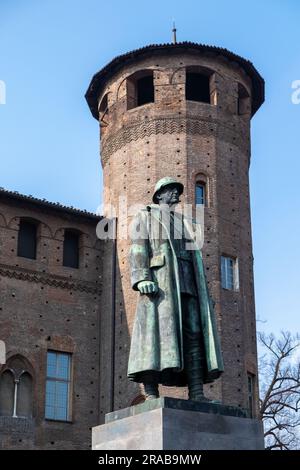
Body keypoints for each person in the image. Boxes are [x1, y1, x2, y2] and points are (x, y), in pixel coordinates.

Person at [127, 177, 224, 401]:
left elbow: (196, 259)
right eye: (170, 190)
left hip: (189, 282)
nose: (175, 194)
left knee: (194, 334)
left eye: (177, 190)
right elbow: (137, 249)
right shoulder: (146, 216)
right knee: (153, 337)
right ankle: (151, 392)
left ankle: (197, 392)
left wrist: (205, 296)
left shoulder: (184, 222)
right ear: (159, 194)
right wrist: (142, 278)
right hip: (161, 283)